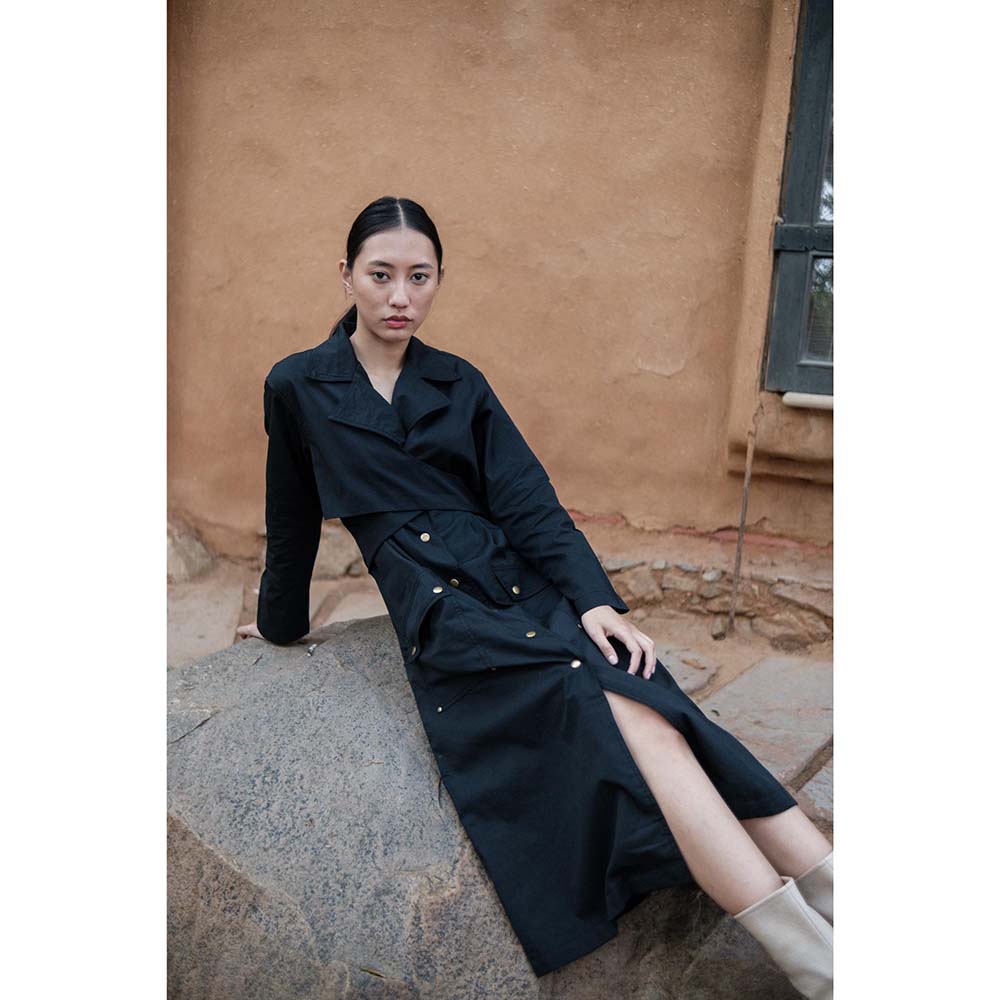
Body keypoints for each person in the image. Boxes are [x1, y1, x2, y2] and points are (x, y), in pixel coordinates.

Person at [237, 195, 833, 994]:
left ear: (439, 279)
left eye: (420, 277)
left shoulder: (458, 380)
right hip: (447, 614)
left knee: (659, 710)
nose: (400, 296)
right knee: (621, 713)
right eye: (381, 275)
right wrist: (278, 625)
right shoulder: (298, 384)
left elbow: (527, 504)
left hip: (522, 581)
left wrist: (594, 601)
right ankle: (824, 968)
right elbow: (291, 520)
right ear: (346, 275)